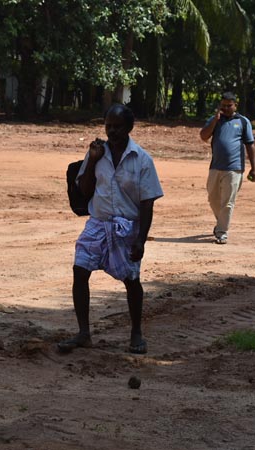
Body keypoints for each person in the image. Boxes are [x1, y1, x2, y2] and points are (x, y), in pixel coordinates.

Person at [58, 104, 163, 355]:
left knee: (131, 279)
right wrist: (92, 161)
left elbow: (147, 203)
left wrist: (141, 239)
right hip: (97, 223)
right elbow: (84, 189)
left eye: (117, 127)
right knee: (79, 271)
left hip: (127, 226)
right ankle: (84, 333)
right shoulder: (96, 153)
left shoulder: (142, 159)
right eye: (108, 126)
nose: (112, 131)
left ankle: (136, 332)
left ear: (129, 128)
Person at [199, 91, 255, 245]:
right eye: (223, 105)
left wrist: (254, 168)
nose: (225, 108)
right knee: (212, 198)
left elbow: (250, 146)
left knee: (228, 202)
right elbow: (204, 136)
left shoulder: (243, 122)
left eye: (228, 105)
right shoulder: (215, 120)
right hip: (215, 166)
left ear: (235, 105)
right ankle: (221, 223)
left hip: (235, 167)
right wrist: (215, 120)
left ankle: (221, 232)